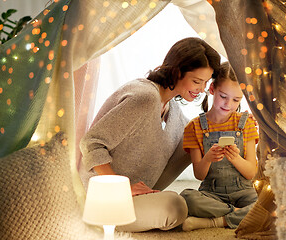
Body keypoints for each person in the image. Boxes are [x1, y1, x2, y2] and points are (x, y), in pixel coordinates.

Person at [79, 37, 221, 232]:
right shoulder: (144, 98)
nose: (201, 89)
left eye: (206, 83)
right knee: (176, 206)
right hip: (104, 199)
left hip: (138, 192)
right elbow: (91, 143)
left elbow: (201, 133)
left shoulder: (171, 108)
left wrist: (236, 119)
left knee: (195, 138)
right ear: (176, 72)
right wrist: (123, 189)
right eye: (197, 81)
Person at [180, 62, 259, 231]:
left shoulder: (246, 124)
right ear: (212, 89)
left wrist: (235, 158)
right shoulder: (194, 127)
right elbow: (199, 175)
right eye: (223, 96)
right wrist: (208, 157)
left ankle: (214, 221)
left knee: (273, 204)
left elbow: (251, 172)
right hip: (212, 192)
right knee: (186, 198)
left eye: (236, 99)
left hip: (244, 191)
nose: (228, 104)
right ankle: (239, 214)